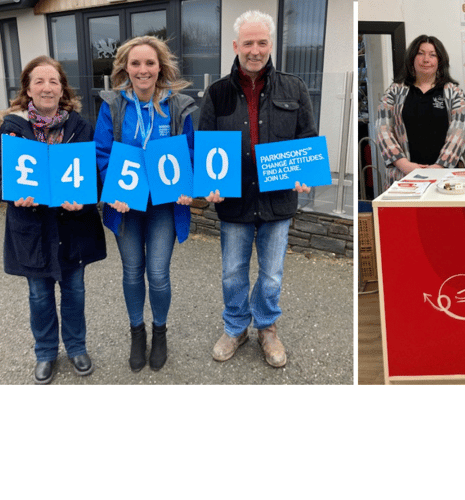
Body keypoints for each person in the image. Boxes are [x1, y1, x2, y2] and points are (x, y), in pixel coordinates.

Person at [198, 10, 315, 368]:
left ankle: (266, 327)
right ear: (236, 46)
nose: (255, 50)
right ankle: (235, 326)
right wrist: (208, 186)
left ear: (270, 45)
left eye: (261, 42)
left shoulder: (294, 87)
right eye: (248, 43)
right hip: (234, 201)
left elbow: (306, 138)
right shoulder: (217, 93)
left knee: (272, 273)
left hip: (277, 201)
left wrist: (305, 171)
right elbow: (205, 145)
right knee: (233, 271)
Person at [0, 56, 107, 384]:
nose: (46, 87)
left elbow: (95, 179)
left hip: (73, 227)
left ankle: (77, 347)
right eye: (39, 81)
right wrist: (13, 194)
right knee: (39, 295)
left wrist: (82, 202)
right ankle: (45, 352)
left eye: (53, 81)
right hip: (32, 229)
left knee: (75, 291)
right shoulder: (13, 129)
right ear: (27, 88)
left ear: (62, 88)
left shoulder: (81, 126)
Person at [94, 36, 196, 372]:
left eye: (149, 63)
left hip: (164, 206)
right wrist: (114, 191)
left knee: (158, 274)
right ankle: (137, 332)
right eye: (135, 63)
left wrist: (188, 185)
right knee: (132, 272)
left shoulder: (178, 106)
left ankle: (160, 332)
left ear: (160, 67)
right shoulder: (113, 106)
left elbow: (192, 153)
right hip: (127, 206)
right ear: (125, 67)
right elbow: (102, 153)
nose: (142, 70)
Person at [375, 34, 465, 190]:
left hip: (445, 177)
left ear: (440, 61)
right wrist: (404, 165)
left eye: (432, 55)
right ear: (412, 58)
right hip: (403, 176)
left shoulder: (454, 93)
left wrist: (439, 167)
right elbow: (382, 129)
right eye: (420, 53)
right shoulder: (394, 91)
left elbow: (459, 132)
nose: (426, 59)